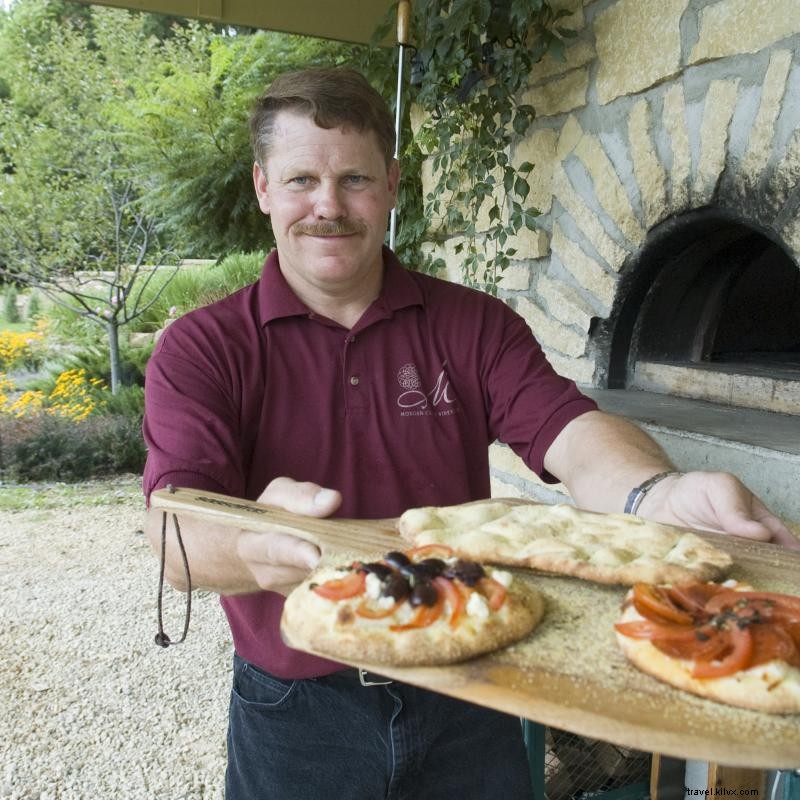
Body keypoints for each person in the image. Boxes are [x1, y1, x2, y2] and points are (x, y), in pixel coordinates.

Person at [142, 67, 797, 800]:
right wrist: (256, 542)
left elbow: (570, 431)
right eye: (301, 180)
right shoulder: (201, 348)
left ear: (391, 185)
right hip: (299, 714)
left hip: (471, 690)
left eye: (354, 180)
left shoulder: (472, 324)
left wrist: (653, 493)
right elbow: (175, 535)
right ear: (263, 187)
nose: (328, 206)